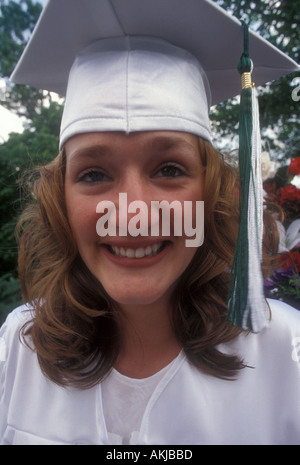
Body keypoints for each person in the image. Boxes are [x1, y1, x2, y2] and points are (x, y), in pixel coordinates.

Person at [0, 0, 299, 445]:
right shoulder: (17, 350)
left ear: (211, 192)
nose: (132, 211)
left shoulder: (288, 358)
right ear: (61, 201)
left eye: (169, 169)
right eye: (94, 174)